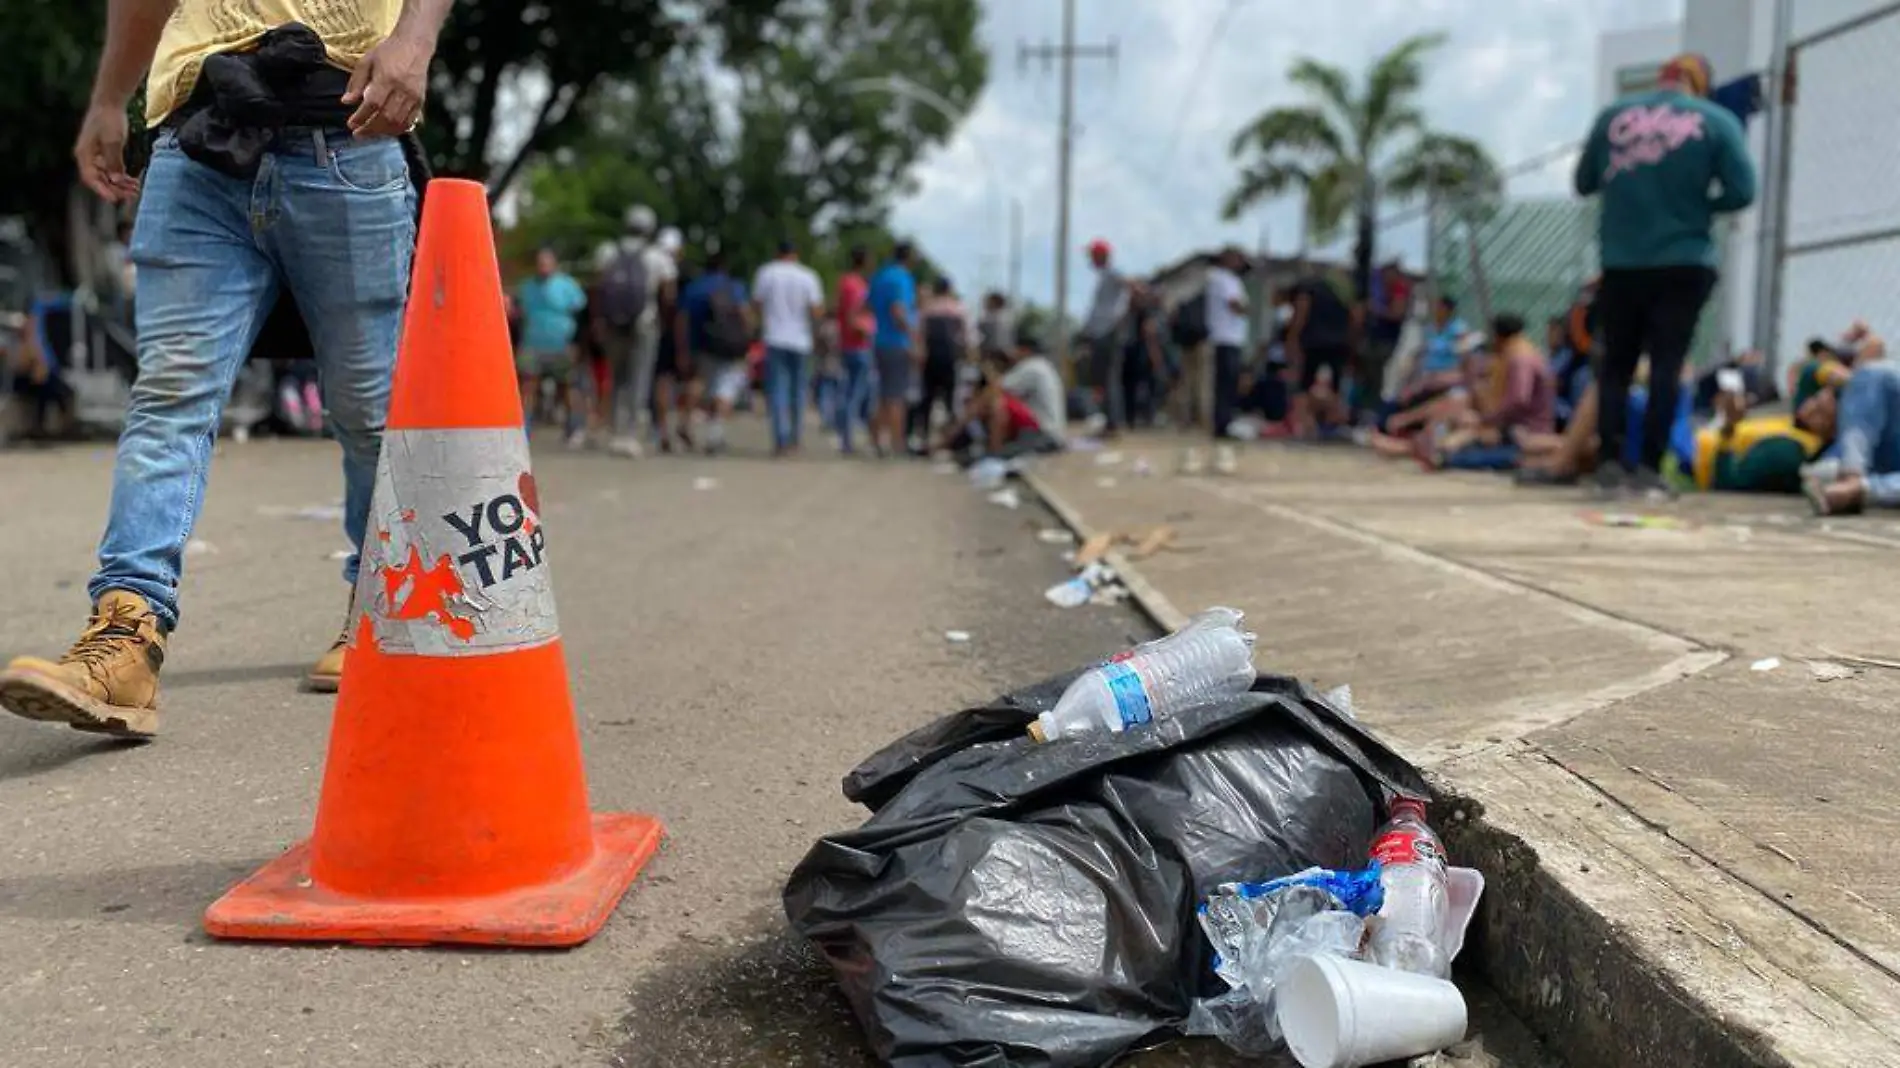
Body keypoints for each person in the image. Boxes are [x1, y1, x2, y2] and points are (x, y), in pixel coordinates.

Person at [0, 0, 448, 735]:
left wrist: (414, 41)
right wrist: (110, 97)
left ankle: (380, 610)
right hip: (197, 142)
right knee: (169, 395)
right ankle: (125, 638)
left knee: (371, 407)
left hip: (349, 125)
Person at [1575, 52, 1758, 498]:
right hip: (1685, 259)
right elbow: (1743, 190)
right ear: (1701, 83)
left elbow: (1584, 183)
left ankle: (1609, 466)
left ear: (1661, 79)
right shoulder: (1717, 120)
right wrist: (1701, 207)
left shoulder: (1612, 118)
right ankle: (1650, 469)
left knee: (1615, 366)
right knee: (1666, 364)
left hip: (1623, 262)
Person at [594, 205, 675, 458]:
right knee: (640, 378)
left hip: (612, 323)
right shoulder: (658, 256)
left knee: (617, 378)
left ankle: (615, 432)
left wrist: (599, 321)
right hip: (644, 323)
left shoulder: (607, 252)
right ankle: (631, 435)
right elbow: (668, 294)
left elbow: (598, 290)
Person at [937, 334, 1067, 459]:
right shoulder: (1042, 366)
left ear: (1024, 350)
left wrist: (988, 369)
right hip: (1048, 432)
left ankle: (990, 450)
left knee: (996, 403)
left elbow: (994, 390)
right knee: (993, 401)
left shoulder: (1031, 367)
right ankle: (957, 439)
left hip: (1043, 434)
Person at [752, 238, 825, 457]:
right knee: (799, 391)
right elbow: (816, 310)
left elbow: (756, 304)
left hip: (774, 337)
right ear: (796, 254)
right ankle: (795, 438)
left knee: (778, 390)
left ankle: (780, 440)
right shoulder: (808, 276)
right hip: (801, 340)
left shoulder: (766, 273)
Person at [678, 247, 753, 455]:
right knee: (725, 390)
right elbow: (745, 315)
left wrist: (682, 348)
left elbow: (682, 321)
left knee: (699, 382)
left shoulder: (695, 288)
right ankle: (714, 434)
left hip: (702, 344)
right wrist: (748, 339)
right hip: (730, 346)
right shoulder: (735, 287)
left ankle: (684, 421)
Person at [515, 248, 588, 443]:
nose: (543, 267)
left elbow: (582, 316)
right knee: (528, 386)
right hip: (533, 344)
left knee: (566, 387)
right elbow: (518, 317)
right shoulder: (526, 287)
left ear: (554, 264)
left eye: (547, 263)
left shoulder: (568, 285)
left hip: (562, 344)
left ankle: (573, 427)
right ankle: (524, 427)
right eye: (540, 263)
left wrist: (577, 345)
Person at [1283, 268, 1356, 438]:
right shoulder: (1345, 291)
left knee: (1304, 386)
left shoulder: (1309, 288)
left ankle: (1305, 426)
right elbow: (1356, 315)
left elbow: (1301, 312)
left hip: (1313, 342)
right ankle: (1335, 426)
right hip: (1339, 342)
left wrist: (1292, 338)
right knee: (1336, 386)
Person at [867, 242, 919, 459]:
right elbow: (898, 310)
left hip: (879, 341)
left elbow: (868, 306)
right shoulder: (902, 278)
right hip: (897, 343)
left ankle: (877, 440)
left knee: (883, 395)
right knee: (897, 396)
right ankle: (897, 444)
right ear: (908, 258)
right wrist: (914, 337)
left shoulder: (880, 277)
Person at [1080, 239, 1131, 432]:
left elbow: (1127, 283)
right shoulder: (1103, 276)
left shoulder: (1111, 273)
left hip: (1108, 332)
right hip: (1101, 332)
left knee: (1109, 379)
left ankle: (1113, 423)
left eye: (1093, 254)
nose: (1090, 259)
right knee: (1103, 379)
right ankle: (1111, 421)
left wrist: (1121, 317)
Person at [911, 277, 967, 452]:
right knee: (950, 400)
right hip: (950, 357)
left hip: (931, 358)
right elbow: (965, 335)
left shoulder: (927, 309)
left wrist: (920, 354)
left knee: (927, 398)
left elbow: (920, 334)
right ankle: (950, 441)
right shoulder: (958, 308)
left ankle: (924, 438)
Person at [833, 245, 876, 454]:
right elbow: (851, 313)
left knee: (852, 391)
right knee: (855, 393)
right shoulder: (854, 285)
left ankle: (848, 436)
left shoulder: (847, 282)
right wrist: (862, 331)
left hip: (850, 343)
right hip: (858, 343)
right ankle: (847, 438)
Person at [1205, 247, 1249, 440]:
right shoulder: (1222, 278)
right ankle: (1222, 424)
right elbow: (1235, 305)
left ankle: (1224, 422)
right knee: (1225, 384)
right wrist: (1246, 309)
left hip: (1231, 338)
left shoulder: (1227, 279)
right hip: (1225, 337)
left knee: (1228, 383)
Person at [1121, 286, 1166, 429]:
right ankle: (1134, 418)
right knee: (1133, 387)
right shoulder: (1131, 312)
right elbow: (1149, 333)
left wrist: (1154, 354)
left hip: (1139, 352)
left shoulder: (1143, 312)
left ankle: (1143, 417)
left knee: (1146, 386)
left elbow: (1149, 333)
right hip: (1133, 352)